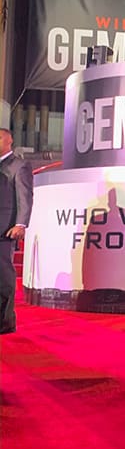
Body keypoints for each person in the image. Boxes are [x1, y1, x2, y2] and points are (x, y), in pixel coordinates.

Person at [0, 130, 33, 335]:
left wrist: (21, 224)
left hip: (5, 230)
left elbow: (25, 196)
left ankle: (5, 322)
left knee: (3, 278)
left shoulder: (19, 165)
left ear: (9, 140)